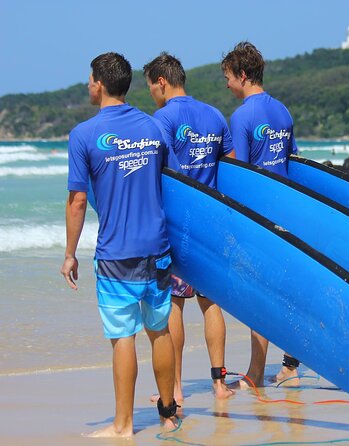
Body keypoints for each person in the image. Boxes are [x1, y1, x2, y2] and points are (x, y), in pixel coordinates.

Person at [60, 52, 178, 437]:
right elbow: (176, 188)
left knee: (122, 336)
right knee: (159, 329)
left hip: (116, 254)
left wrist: (69, 254)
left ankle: (124, 425)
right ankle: (168, 412)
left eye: (90, 79)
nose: (88, 85)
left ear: (99, 84)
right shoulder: (154, 127)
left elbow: (78, 200)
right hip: (158, 249)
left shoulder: (83, 135)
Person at [143, 52, 236, 403]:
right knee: (211, 302)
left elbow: (163, 173)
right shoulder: (214, 114)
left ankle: (177, 389)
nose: (152, 92)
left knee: (175, 306)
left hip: (179, 227)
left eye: (151, 85)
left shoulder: (162, 119)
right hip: (212, 223)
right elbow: (231, 168)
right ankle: (218, 384)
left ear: (162, 82)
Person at [221, 41, 301, 387]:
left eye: (228, 77)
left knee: (259, 296)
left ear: (242, 75)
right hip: (288, 212)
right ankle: (291, 364)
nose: (226, 85)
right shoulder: (283, 111)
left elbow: (240, 172)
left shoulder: (242, 115)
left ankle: (255, 373)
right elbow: (291, 161)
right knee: (285, 291)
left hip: (258, 218)